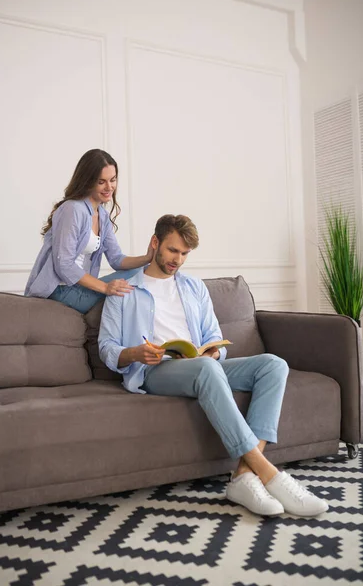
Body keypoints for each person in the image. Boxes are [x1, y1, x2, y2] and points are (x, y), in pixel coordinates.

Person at [98, 214, 329, 517]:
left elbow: (214, 337)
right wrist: (136, 354)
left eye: (184, 254)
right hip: (154, 370)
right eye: (171, 250)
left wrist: (212, 355)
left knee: (272, 365)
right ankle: (270, 474)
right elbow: (107, 348)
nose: (177, 260)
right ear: (155, 243)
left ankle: (244, 476)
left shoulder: (194, 287)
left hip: (199, 365)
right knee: (206, 371)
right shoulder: (125, 289)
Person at [25, 149, 153, 313]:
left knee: (144, 269)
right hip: (58, 290)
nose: (109, 187)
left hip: (78, 288)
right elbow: (63, 264)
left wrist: (148, 257)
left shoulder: (102, 215)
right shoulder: (73, 209)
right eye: (101, 182)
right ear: (88, 181)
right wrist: (105, 287)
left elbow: (116, 259)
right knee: (138, 275)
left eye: (113, 180)